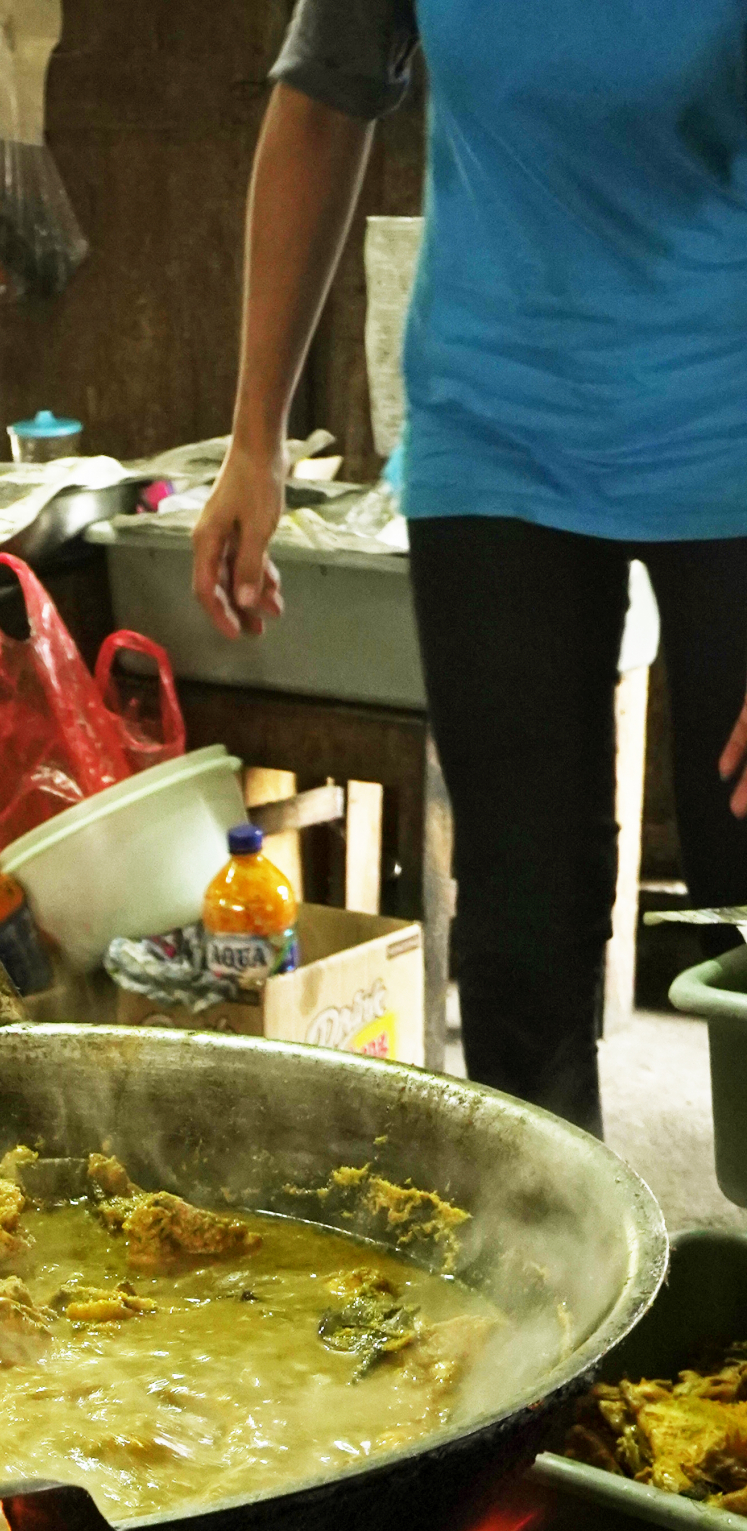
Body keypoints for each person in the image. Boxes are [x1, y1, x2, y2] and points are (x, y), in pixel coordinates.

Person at [191, 1, 747, 1136]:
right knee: (521, 919)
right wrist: (256, 439)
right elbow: (319, 104)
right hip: (494, 427)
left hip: (729, 424)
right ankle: (553, 1280)